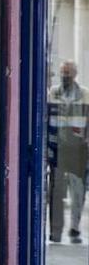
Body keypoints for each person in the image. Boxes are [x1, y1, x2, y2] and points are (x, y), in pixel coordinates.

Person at [48, 60, 89, 244]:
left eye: (68, 73)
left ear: (74, 75)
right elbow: (45, 120)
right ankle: (55, 232)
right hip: (57, 150)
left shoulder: (85, 95)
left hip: (78, 151)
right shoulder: (53, 93)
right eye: (63, 73)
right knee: (56, 192)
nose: (65, 76)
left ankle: (74, 227)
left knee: (78, 191)